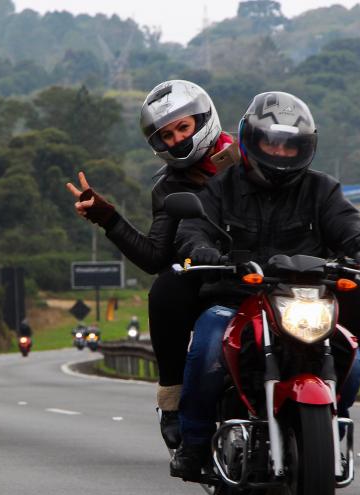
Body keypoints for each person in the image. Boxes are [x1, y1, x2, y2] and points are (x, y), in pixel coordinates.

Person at [169, 91, 360, 480]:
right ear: (251, 139)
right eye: (272, 143)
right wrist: (202, 250)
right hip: (237, 298)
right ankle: (194, 442)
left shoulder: (323, 190)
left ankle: (333, 416)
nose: (281, 153)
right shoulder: (222, 188)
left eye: (292, 146)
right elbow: (194, 228)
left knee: (350, 357)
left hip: (303, 298)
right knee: (207, 345)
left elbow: (350, 228)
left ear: (306, 147)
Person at [65, 80, 237, 449]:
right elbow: (154, 256)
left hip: (266, 270)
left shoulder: (252, 154)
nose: (176, 140)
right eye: (166, 135)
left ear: (203, 119)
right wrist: (106, 216)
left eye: (183, 128)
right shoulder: (168, 187)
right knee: (166, 286)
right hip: (206, 279)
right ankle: (171, 400)